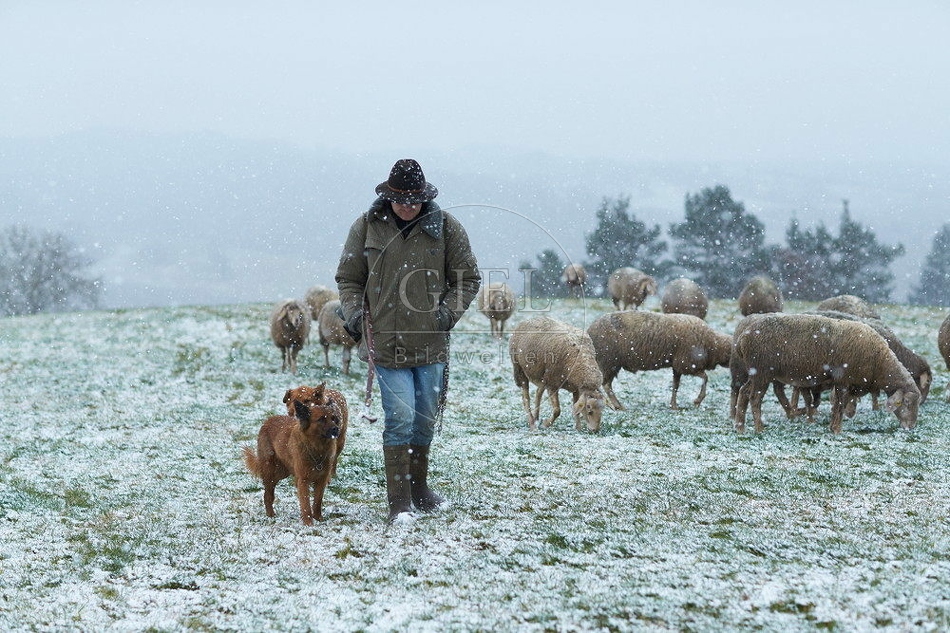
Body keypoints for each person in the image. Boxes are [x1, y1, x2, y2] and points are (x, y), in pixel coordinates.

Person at [336, 159, 480, 522]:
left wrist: (444, 316)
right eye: (400, 199)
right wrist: (356, 317)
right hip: (385, 342)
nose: (407, 206)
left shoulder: (446, 227)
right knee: (400, 417)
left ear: (424, 197)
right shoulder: (367, 226)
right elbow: (349, 278)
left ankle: (420, 489)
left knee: (425, 418)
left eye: (414, 200)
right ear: (389, 196)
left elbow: (467, 278)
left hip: (431, 343)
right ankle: (399, 502)